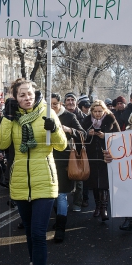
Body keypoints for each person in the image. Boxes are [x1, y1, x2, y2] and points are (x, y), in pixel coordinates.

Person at [0, 79, 66, 265]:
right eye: (22, 94)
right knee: (29, 233)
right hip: (19, 182)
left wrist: (53, 129)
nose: (27, 98)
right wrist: (6, 119)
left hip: (45, 180)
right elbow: (2, 142)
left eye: (30, 94)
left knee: (38, 233)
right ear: (15, 97)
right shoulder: (12, 118)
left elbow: (61, 145)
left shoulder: (47, 113)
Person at [50, 93, 86, 242]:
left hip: (64, 161)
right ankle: (58, 216)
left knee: (61, 195)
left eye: (55, 104)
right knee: (50, 196)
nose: (52, 107)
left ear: (61, 104)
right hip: (46, 160)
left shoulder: (69, 117)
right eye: (50, 104)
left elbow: (83, 134)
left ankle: (60, 227)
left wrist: (69, 130)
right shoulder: (43, 116)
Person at [82, 99, 120, 222]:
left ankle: (104, 208)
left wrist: (105, 136)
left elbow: (119, 136)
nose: (98, 114)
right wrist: (89, 133)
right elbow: (81, 136)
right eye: (95, 111)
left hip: (107, 155)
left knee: (104, 183)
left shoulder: (111, 119)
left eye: (100, 111)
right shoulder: (87, 121)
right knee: (94, 183)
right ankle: (97, 206)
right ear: (91, 111)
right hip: (91, 155)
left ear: (104, 110)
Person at [64, 92, 89, 211]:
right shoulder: (60, 115)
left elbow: (84, 134)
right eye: (68, 100)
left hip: (78, 150)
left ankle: (77, 202)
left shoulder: (83, 117)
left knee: (79, 176)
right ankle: (63, 202)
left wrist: (71, 131)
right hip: (63, 151)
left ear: (76, 102)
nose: (70, 102)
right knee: (63, 177)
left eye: (72, 100)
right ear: (64, 102)